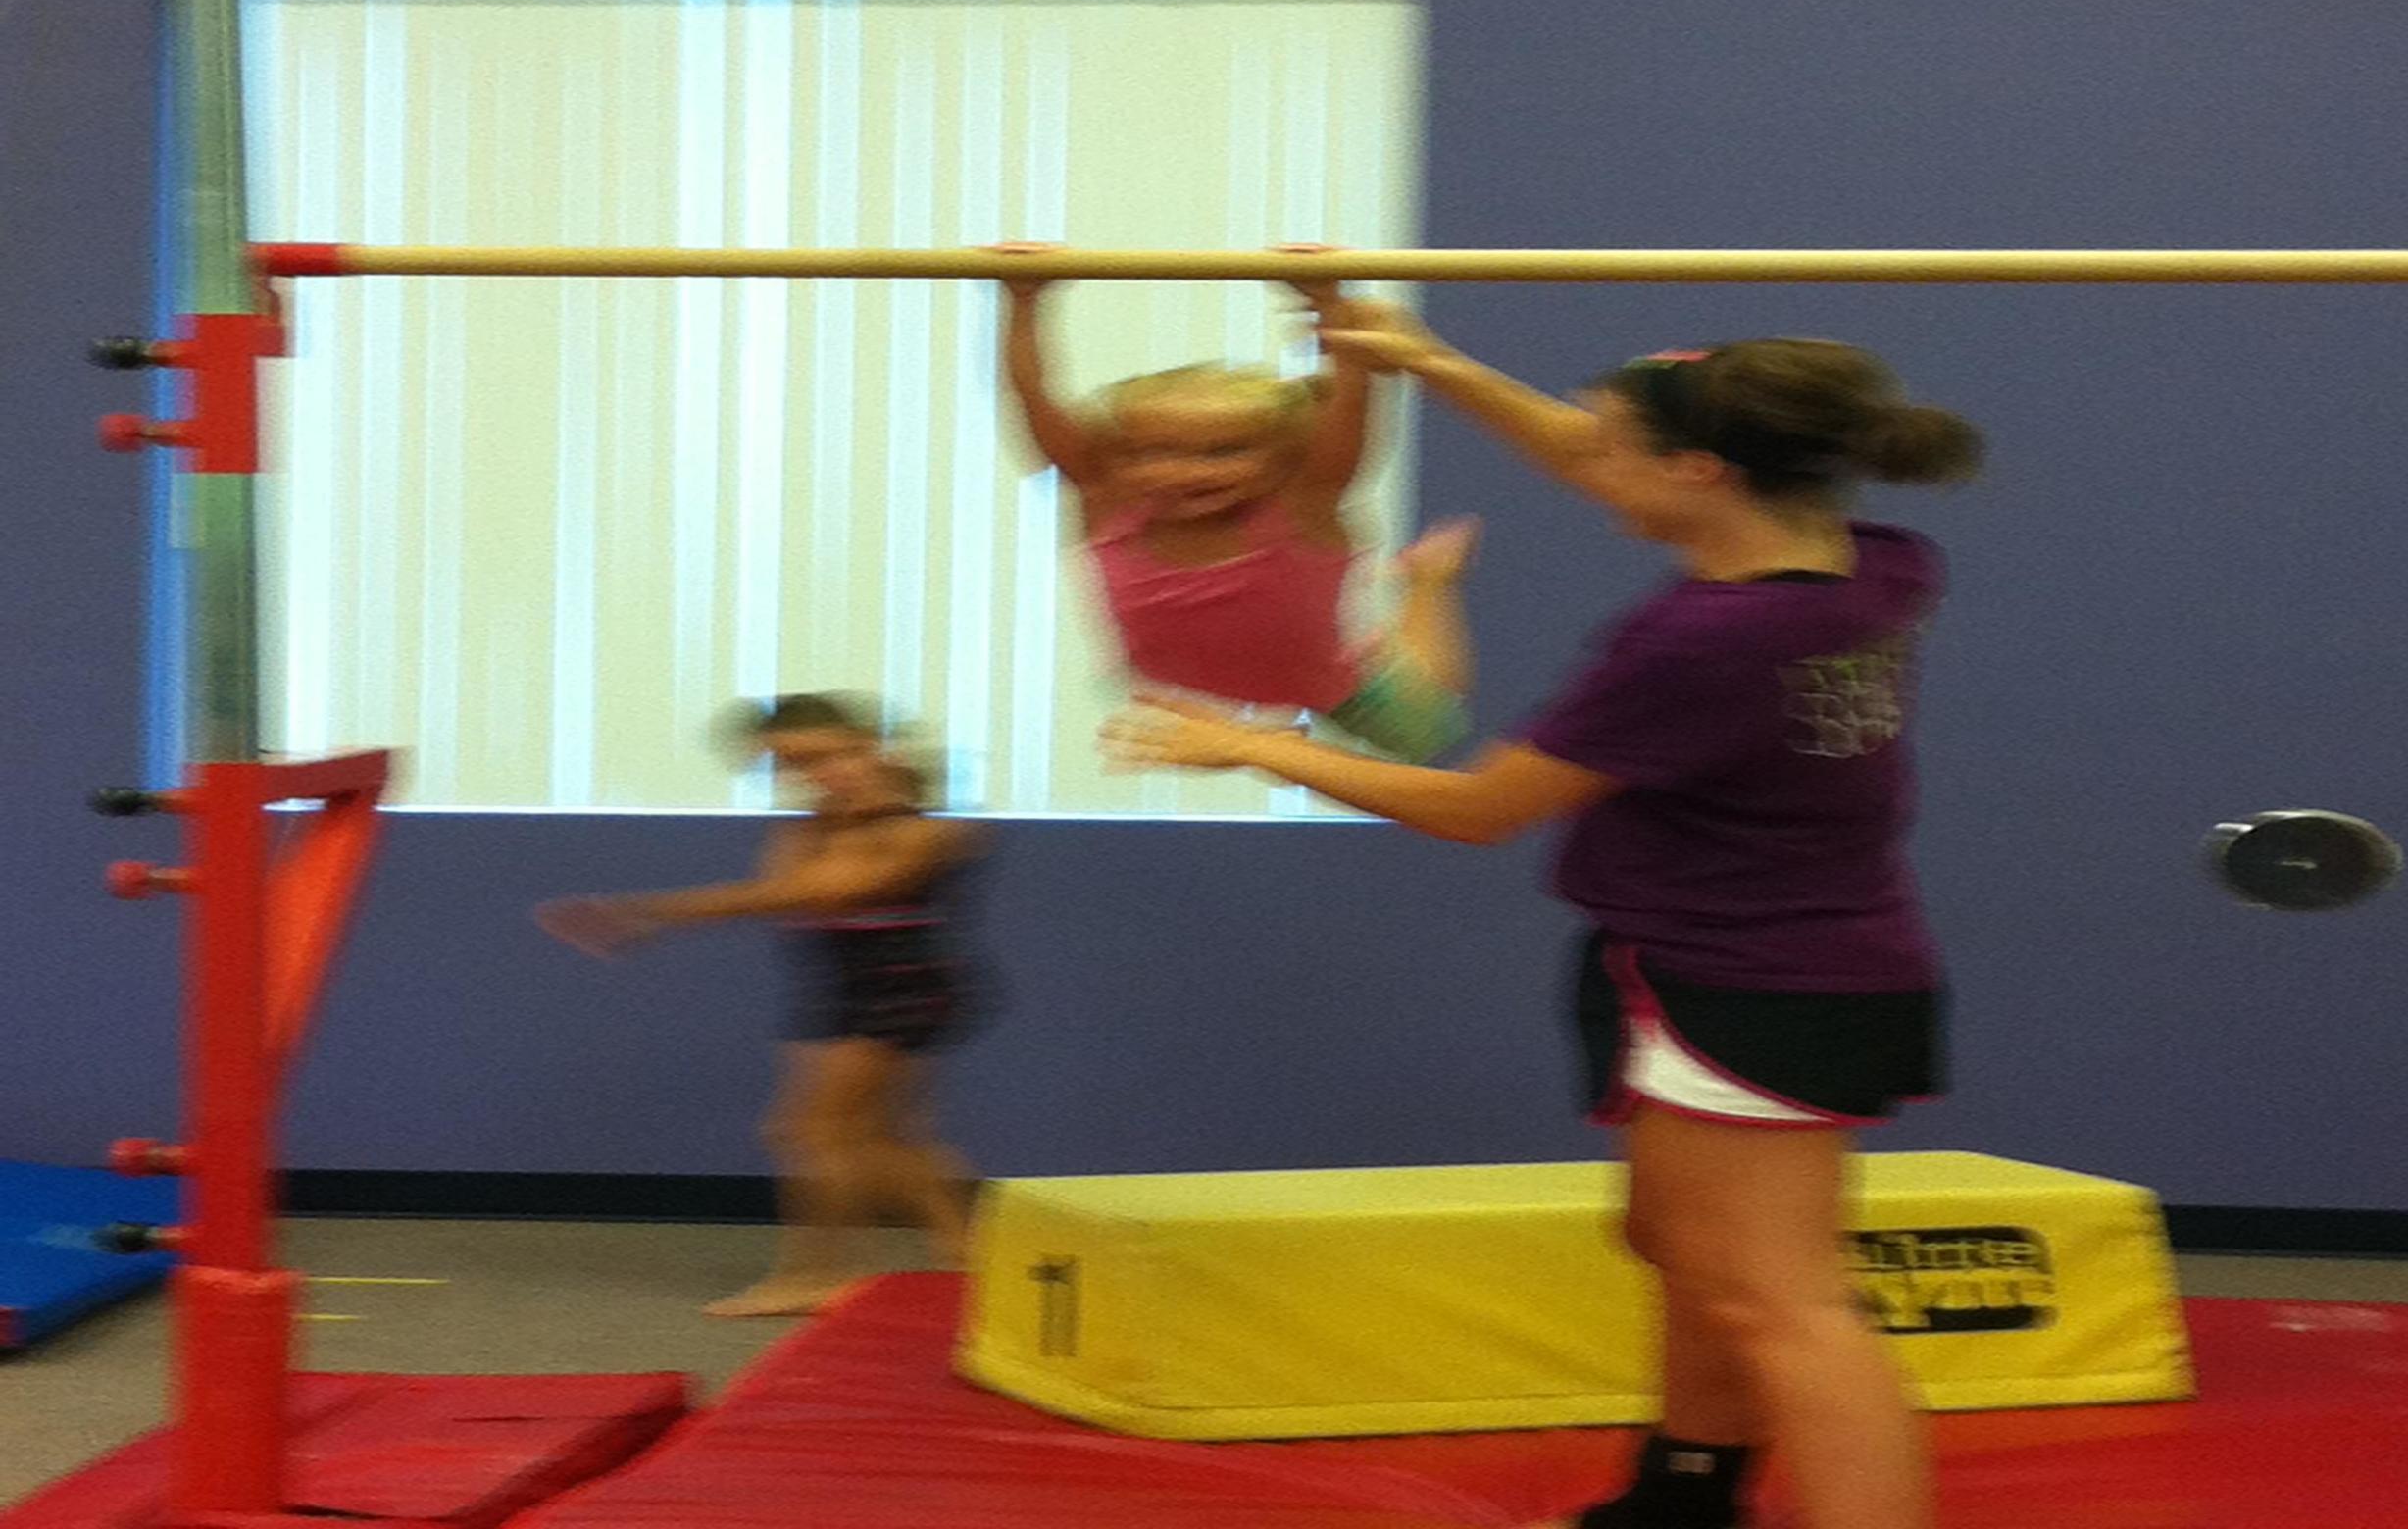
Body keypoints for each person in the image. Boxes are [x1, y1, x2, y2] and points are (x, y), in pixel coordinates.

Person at [1100, 305, 1982, 1529]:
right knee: (1680, 1246)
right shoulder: (1874, 561)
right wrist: (1430, 362)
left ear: (1698, 471)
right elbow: (1601, 456)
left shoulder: (1696, 642)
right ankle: (1689, 1485)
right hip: (1731, 958)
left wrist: (1248, 741)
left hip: (1757, 982)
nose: (1582, 463)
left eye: (1608, 447)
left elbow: (1478, 809)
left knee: (1784, 1302)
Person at [537, 693, 985, 1318]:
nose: (818, 775)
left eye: (829, 757)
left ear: (871, 747)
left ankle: (813, 1275)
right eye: (793, 765)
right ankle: (967, 1256)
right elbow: (781, 889)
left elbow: (815, 894)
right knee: (888, 1136)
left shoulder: (929, 831)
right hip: (845, 989)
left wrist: (647, 909)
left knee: (809, 1131)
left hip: (901, 992)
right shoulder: (812, 827)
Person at [999, 271, 1476, 761]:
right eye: (1154, 453)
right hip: (1177, 689)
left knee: (1428, 734)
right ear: (1115, 459)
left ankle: (1426, 582)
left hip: (1327, 686)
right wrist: (1023, 299)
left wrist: (1328, 302)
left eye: (1224, 452)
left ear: (1284, 459)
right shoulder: (1108, 504)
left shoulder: (1303, 508)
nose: (1185, 473)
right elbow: (1030, 394)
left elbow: (1351, 404)